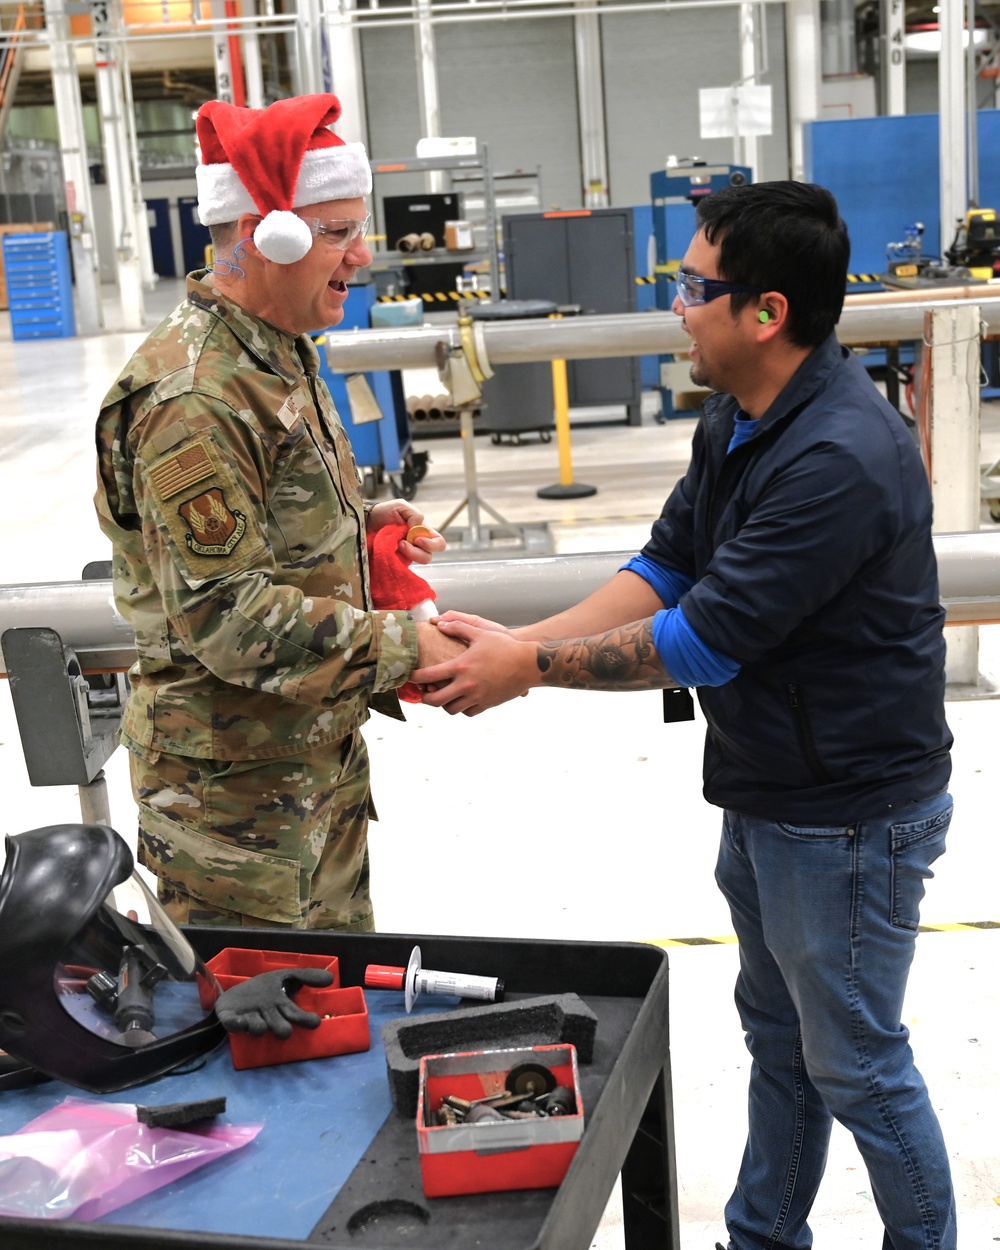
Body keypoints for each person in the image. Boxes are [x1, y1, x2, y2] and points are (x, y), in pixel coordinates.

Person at [414, 182, 956, 1250]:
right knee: (782, 1039)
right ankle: (761, 1236)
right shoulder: (743, 419)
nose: (677, 307)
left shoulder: (836, 456)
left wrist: (529, 666)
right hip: (770, 788)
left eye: (695, 288)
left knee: (854, 1061)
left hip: (846, 815)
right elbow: (666, 566)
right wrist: (518, 651)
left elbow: (701, 639)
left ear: (765, 312)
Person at [94, 93, 462, 932]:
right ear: (269, 235)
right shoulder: (194, 397)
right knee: (264, 1046)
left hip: (305, 768)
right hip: (235, 816)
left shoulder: (274, 350)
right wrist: (412, 646)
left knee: (339, 1029)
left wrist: (355, 527)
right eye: (336, 233)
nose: (361, 257)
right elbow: (228, 616)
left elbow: (266, 522)